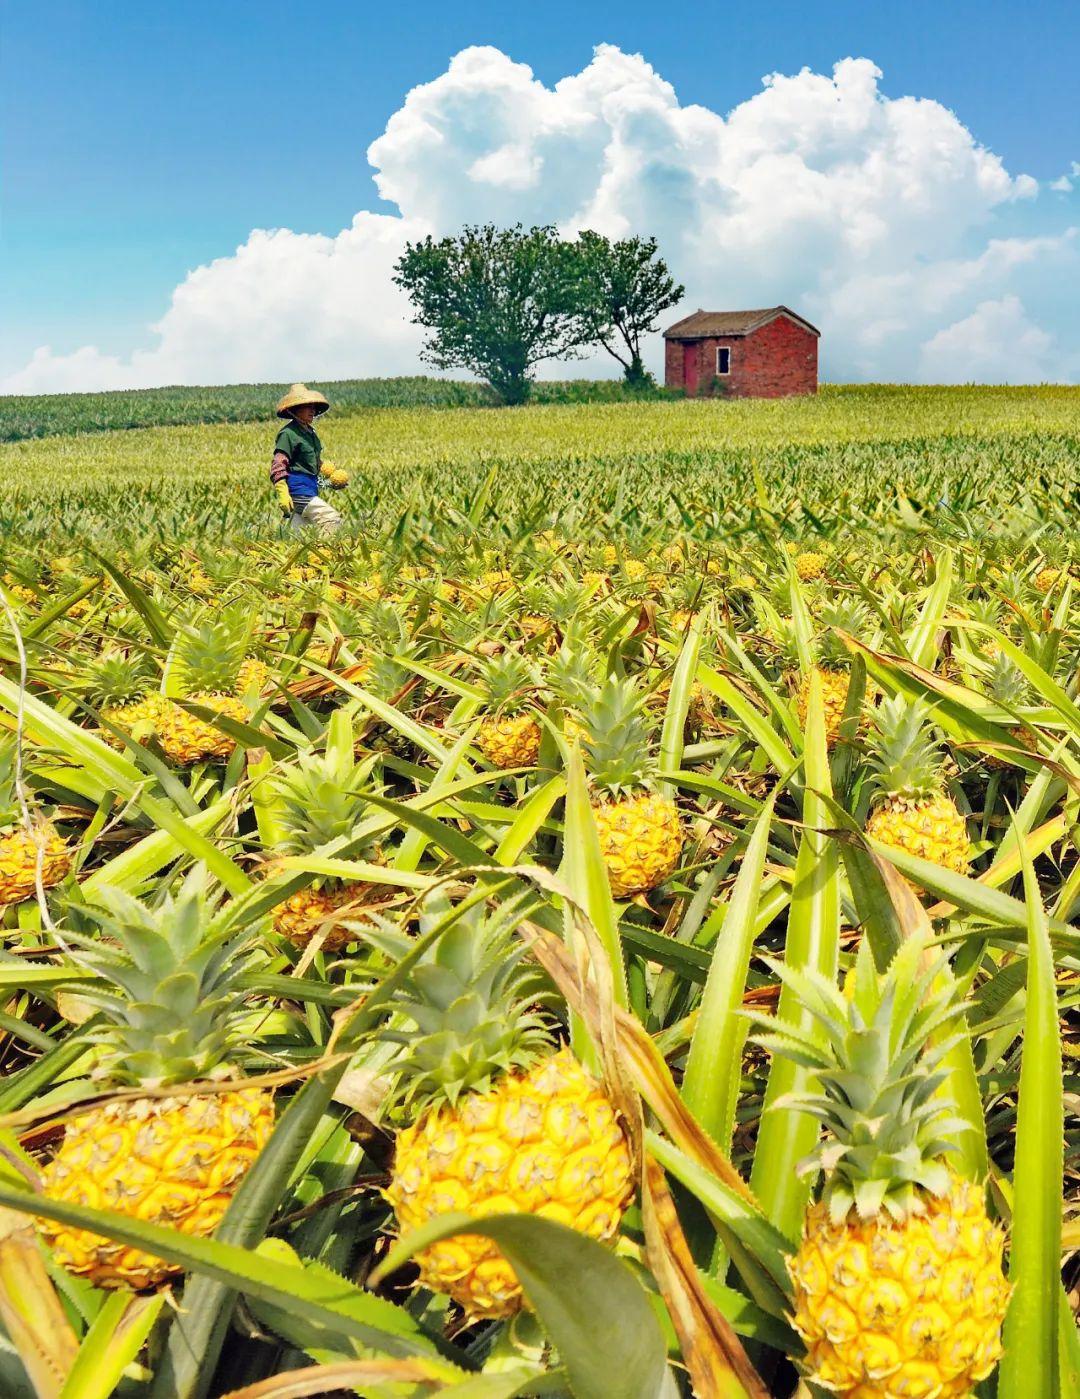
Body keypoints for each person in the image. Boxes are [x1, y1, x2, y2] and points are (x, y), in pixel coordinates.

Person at [269, 384, 343, 534]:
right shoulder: (288, 434)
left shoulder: (310, 433)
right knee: (332, 519)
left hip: (310, 488)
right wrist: (282, 491)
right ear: (295, 410)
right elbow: (278, 463)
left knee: (298, 536)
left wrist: (330, 482)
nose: (312, 410)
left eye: (313, 407)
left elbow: (313, 466)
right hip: (298, 490)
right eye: (307, 407)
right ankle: (326, 555)